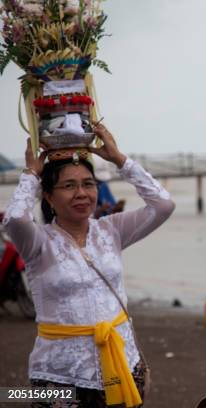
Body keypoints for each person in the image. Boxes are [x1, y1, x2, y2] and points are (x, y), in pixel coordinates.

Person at [3, 124, 175, 408]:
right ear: (48, 196)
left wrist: (120, 159)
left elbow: (163, 206)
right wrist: (32, 174)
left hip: (122, 363)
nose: (81, 193)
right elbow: (14, 220)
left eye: (88, 184)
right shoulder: (38, 242)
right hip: (57, 375)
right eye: (69, 186)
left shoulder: (111, 230)